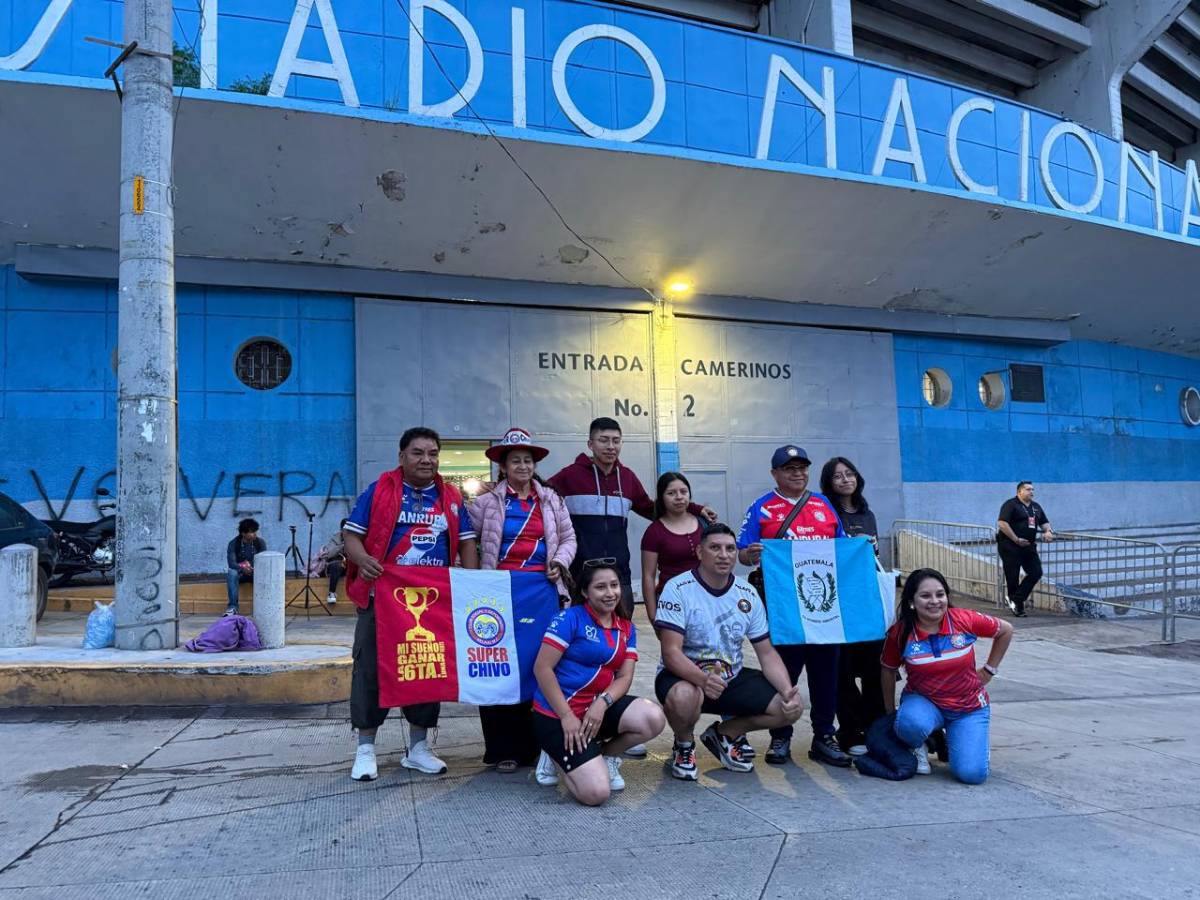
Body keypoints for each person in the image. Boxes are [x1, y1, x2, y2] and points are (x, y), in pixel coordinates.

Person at [343, 427, 479, 782]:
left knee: (425, 667)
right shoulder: (379, 491)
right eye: (418, 453)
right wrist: (364, 560)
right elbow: (351, 536)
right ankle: (366, 748)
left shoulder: (450, 496)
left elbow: (466, 544)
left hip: (431, 601)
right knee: (370, 669)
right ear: (401, 457)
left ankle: (418, 748)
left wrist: (472, 583)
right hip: (382, 600)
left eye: (433, 453)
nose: (427, 460)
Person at [655, 524, 803, 780]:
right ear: (700, 552)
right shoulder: (678, 588)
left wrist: (787, 691)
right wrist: (702, 680)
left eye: (730, 549)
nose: (724, 555)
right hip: (685, 677)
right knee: (684, 697)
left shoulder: (748, 594)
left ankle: (725, 734)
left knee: (788, 709)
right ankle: (684, 745)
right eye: (715, 548)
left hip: (729, 678)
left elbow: (766, 653)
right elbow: (671, 653)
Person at [469, 427, 576, 774]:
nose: (523, 466)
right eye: (515, 460)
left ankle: (538, 747)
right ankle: (503, 749)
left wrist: (559, 562)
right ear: (503, 466)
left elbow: (568, 538)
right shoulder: (484, 503)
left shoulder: (552, 500)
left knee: (539, 665)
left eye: (527, 460)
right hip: (498, 594)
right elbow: (466, 541)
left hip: (542, 591)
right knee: (496, 664)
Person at [736, 445, 851, 768]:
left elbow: (841, 549)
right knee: (784, 672)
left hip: (823, 609)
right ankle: (780, 736)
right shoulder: (762, 508)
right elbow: (742, 553)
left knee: (826, 673)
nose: (797, 473)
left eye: (802, 468)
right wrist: (751, 554)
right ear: (775, 474)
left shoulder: (824, 504)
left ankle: (824, 735)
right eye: (789, 469)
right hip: (784, 607)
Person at [547, 417, 716, 619]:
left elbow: (653, 509)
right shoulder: (570, 475)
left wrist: (695, 508)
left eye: (616, 441)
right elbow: (538, 496)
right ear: (590, 444)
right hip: (579, 575)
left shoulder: (627, 478)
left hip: (619, 574)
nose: (611, 446)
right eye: (604, 440)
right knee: (577, 635)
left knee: (621, 633)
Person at [531, 561, 666, 806]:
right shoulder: (569, 619)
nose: (610, 593)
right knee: (596, 794)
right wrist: (566, 716)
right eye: (600, 587)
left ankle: (605, 755)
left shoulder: (626, 627)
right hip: (558, 713)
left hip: (595, 710)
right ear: (585, 592)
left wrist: (603, 703)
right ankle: (554, 755)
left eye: (614, 585)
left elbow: (624, 677)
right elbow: (542, 669)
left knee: (653, 718)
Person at [881, 568, 1014, 783]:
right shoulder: (900, 632)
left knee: (972, 775)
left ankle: (968, 744)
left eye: (940, 594)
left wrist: (989, 670)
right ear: (912, 602)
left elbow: (1006, 630)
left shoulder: (964, 619)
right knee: (909, 723)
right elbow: (887, 670)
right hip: (925, 703)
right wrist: (890, 712)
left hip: (967, 708)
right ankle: (918, 744)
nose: (934, 601)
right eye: (925, 596)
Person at [821, 457, 885, 757]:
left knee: (875, 668)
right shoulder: (824, 512)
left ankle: (876, 726)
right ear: (828, 482)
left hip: (866, 598)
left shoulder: (866, 512)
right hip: (838, 601)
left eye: (849, 474)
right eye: (837, 476)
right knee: (842, 671)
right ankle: (850, 730)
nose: (845, 480)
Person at [639, 471, 704, 626]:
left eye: (683, 492)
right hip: (672, 603)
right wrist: (653, 614)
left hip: (705, 599)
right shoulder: (654, 532)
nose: (679, 497)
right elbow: (648, 576)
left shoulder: (704, 523)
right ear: (661, 497)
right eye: (671, 493)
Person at [996, 481, 1054, 617]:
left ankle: (1015, 598)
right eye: (1028, 489)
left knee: (1036, 572)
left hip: (1028, 546)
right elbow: (1002, 523)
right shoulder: (1010, 504)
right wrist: (1016, 539)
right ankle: (1018, 607)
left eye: (1032, 489)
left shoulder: (1036, 507)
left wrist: (1048, 531)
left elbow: (1044, 522)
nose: (1031, 492)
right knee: (1013, 576)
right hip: (1010, 546)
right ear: (1019, 492)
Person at [225, 518, 265, 617]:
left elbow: (264, 562)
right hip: (241, 573)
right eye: (252, 532)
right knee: (231, 573)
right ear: (243, 533)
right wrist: (243, 568)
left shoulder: (259, 542)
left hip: (254, 573)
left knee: (264, 573)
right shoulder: (234, 543)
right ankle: (233, 607)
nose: (255, 534)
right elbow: (231, 563)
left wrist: (251, 568)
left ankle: (260, 607)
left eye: (255, 531)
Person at [312, 518, 348, 606]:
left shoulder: (356, 539)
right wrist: (341, 546)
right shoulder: (335, 538)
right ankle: (331, 593)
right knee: (336, 565)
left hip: (351, 565)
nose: (348, 533)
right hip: (338, 566)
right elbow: (328, 554)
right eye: (345, 530)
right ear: (342, 530)